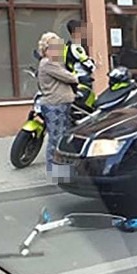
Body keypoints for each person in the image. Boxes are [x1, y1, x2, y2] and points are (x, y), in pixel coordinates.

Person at [36, 32, 81, 177]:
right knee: (56, 139)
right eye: (54, 47)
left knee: (62, 137)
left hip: (61, 104)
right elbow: (70, 77)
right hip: (54, 105)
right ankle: (55, 172)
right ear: (46, 49)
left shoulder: (53, 62)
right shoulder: (48, 63)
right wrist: (76, 76)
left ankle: (62, 170)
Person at [65, 19, 96, 108]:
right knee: (88, 105)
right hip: (82, 80)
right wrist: (92, 63)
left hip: (73, 80)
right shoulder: (77, 48)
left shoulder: (67, 47)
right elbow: (89, 65)